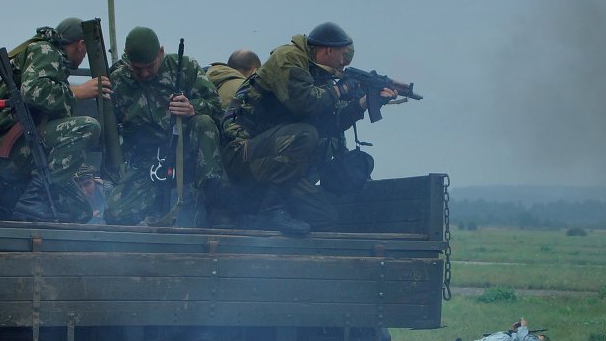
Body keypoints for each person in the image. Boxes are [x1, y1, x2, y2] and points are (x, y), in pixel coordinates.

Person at [220, 22, 395, 235]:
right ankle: (270, 209)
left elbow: (328, 125)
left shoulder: (316, 74)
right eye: (341, 56)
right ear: (328, 50)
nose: (342, 64)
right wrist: (343, 89)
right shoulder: (289, 57)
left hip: (273, 160)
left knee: (324, 216)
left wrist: (362, 104)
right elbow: (305, 102)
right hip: (242, 153)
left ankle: (281, 260)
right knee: (306, 134)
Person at [0, 17, 111, 222]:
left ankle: (22, 210)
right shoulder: (45, 51)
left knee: (79, 211)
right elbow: (33, 91)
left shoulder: (53, 61)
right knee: (87, 127)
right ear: (80, 45)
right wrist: (78, 92)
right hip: (14, 147)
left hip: (28, 147)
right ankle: (34, 200)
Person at [104, 26, 225, 226]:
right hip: (148, 160)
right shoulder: (118, 80)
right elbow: (112, 130)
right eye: (137, 68)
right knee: (115, 213)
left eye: (150, 66)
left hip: (185, 151)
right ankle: (152, 207)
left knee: (204, 123)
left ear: (161, 52)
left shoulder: (185, 68)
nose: (144, 73)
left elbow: (217, 109)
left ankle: (213, 203)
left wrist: (192, 108)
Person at [448, 319, 547, 341]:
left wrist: (523, 327)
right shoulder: (530, 339)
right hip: (502, 336)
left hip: (505, 340)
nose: (538, 336)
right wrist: (516, 328)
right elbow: (521, 337)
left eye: (540, 337)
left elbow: (522, 340)